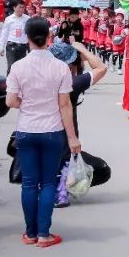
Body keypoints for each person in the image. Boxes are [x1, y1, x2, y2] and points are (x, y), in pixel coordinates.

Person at [4, 17, 81, 248]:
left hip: (26, 130)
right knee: (48, 183)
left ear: (27, 38)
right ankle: (44, 235)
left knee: (29, 184)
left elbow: (10, 101)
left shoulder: (18, 67)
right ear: (49, 37)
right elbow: (65, 105)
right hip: (53, 132)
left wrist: (27, 103)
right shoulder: (60, 67)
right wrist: (72, 137)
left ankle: (30, 233)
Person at [48, 38, 107, 208]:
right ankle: (59, 192)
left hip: (36, 136)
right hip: (63, 144)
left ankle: (44, 187)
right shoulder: (70, 83)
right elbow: (101, 68)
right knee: (102, 170)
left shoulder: (41, 78)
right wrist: (83, 50)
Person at [0, 0, 31, 72]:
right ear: (14, 8)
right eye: (19, 7)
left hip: (22, 47)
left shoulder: (27, 19)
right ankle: (9, 83)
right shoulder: (9, 19)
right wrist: (1, 47)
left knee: (21, 69)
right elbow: (4, 33)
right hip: (11, 46)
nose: (21, 9)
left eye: (23, 7)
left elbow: (29, 33)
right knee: (11, 67)